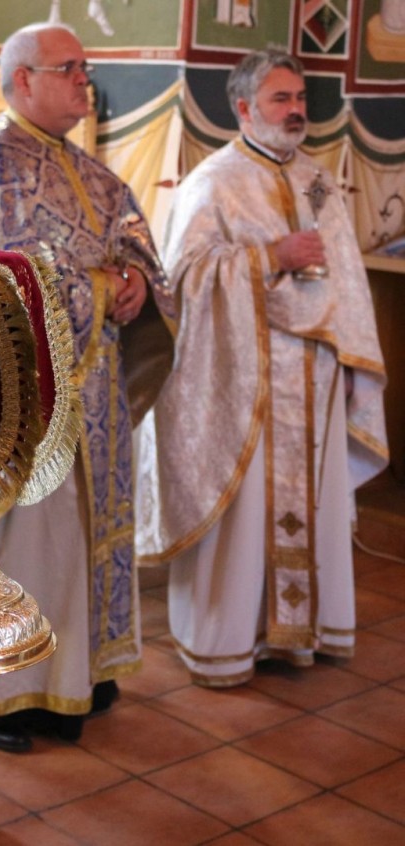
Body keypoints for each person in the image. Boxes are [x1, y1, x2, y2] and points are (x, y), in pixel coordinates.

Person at [0, 21, 175, 753]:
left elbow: (133, 238)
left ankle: (82, 669)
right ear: (24, 79)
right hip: (23, 399)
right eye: (70, 67)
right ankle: (1, 697)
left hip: (94, 388)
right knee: (29, 542)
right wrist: (101, 285)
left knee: (83, 538)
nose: (85, 81)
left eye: (86, 67)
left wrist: (134, 281)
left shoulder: (89, 168)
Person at [135, 49, 387, 686]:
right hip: (244, 379)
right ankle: (230, 640)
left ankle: (305, 636)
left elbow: (348, 278)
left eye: (300, 97)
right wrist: (272, 254)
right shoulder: (212, 182)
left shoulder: (320, 179)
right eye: (281, 99)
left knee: (316, 504)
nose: (296, 110)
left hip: (316, 372)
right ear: (244, 108)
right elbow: (184, 281)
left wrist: (356, 355)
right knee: (245, 518)